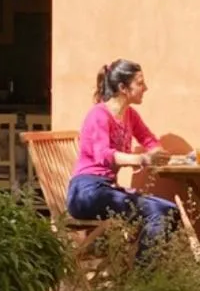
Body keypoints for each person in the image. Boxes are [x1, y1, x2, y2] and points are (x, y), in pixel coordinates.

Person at [66, 59, 179, 259]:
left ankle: (145, 272)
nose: (146, 88)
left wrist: (158, 153)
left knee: (170, 210)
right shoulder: (98, 115)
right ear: (123, 88)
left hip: (107, 190)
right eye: (140, 83)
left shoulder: (129, 115)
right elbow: (104, 155)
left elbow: (149, 139)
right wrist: (142, 159)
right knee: (157, 212)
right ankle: (143, 278)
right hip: (87, 193)